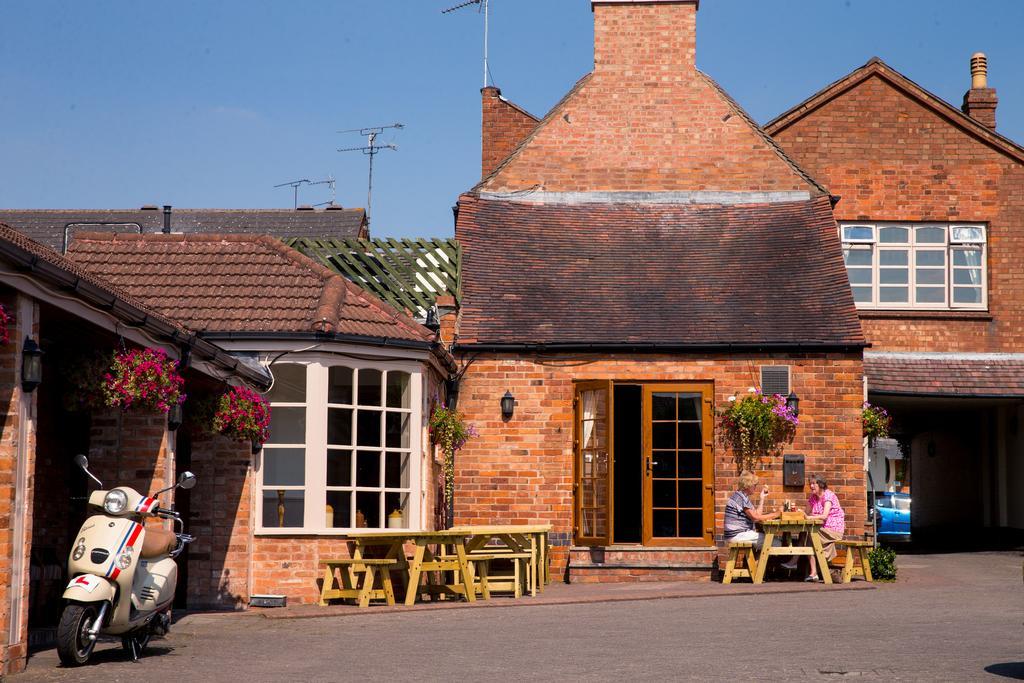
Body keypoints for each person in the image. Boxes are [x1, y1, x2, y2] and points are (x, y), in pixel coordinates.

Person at [803, 473, 845, 582]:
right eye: (810, 484)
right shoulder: (813, 497)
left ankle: (818, 571)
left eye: (813, 484)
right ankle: (815, 572)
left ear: (820, 484)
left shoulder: (828, 495)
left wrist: (809, 517)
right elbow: (805, 513)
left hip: (833, 529)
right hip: (821, 529)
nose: (811, 486)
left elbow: (825, 516)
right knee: (806, 535)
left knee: (809, 536)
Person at [724, 470, 780, 550]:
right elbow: (755, 518)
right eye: (754, 485)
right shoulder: (741, 498)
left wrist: (762, 498)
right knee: (775, 543)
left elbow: (757, 514)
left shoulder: (740, 496)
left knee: (769, 540)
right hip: (737, 535)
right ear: (748, 485)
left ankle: (758, 562)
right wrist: (776, 514)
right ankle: (787, 562)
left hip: (736, 534)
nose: (755, 487)